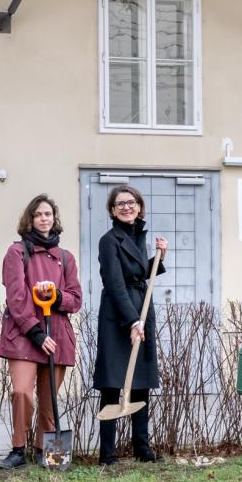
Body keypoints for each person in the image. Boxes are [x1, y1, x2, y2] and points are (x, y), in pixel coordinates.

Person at [0, 194, 83, 469]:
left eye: (48, 214)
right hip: (25, 335)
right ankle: (18, 449)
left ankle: (47, 452)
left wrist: (56, 296)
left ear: (54, 219)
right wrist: (36, 333)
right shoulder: (17, 252)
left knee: (49, 399)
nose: (44, 218)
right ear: (29, 220)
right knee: (22, 392)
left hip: (57, 334)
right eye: (38, 214)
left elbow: (75, 299)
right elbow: (17, 297)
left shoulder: (65, 258)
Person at [91, 185, 168, 465]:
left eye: (131, 202)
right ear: (112, 210)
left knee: (140, 382)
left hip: (141, 307)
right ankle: (107, 454)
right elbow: (114, 282)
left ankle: (142, 449)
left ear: (139, 206)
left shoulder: (138, 235)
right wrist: (132, 320)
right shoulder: (108, 240)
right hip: (117, 314)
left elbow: (137, 273)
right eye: (120, 203)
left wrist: (159, 258)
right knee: (113, 383)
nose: (126, 207)